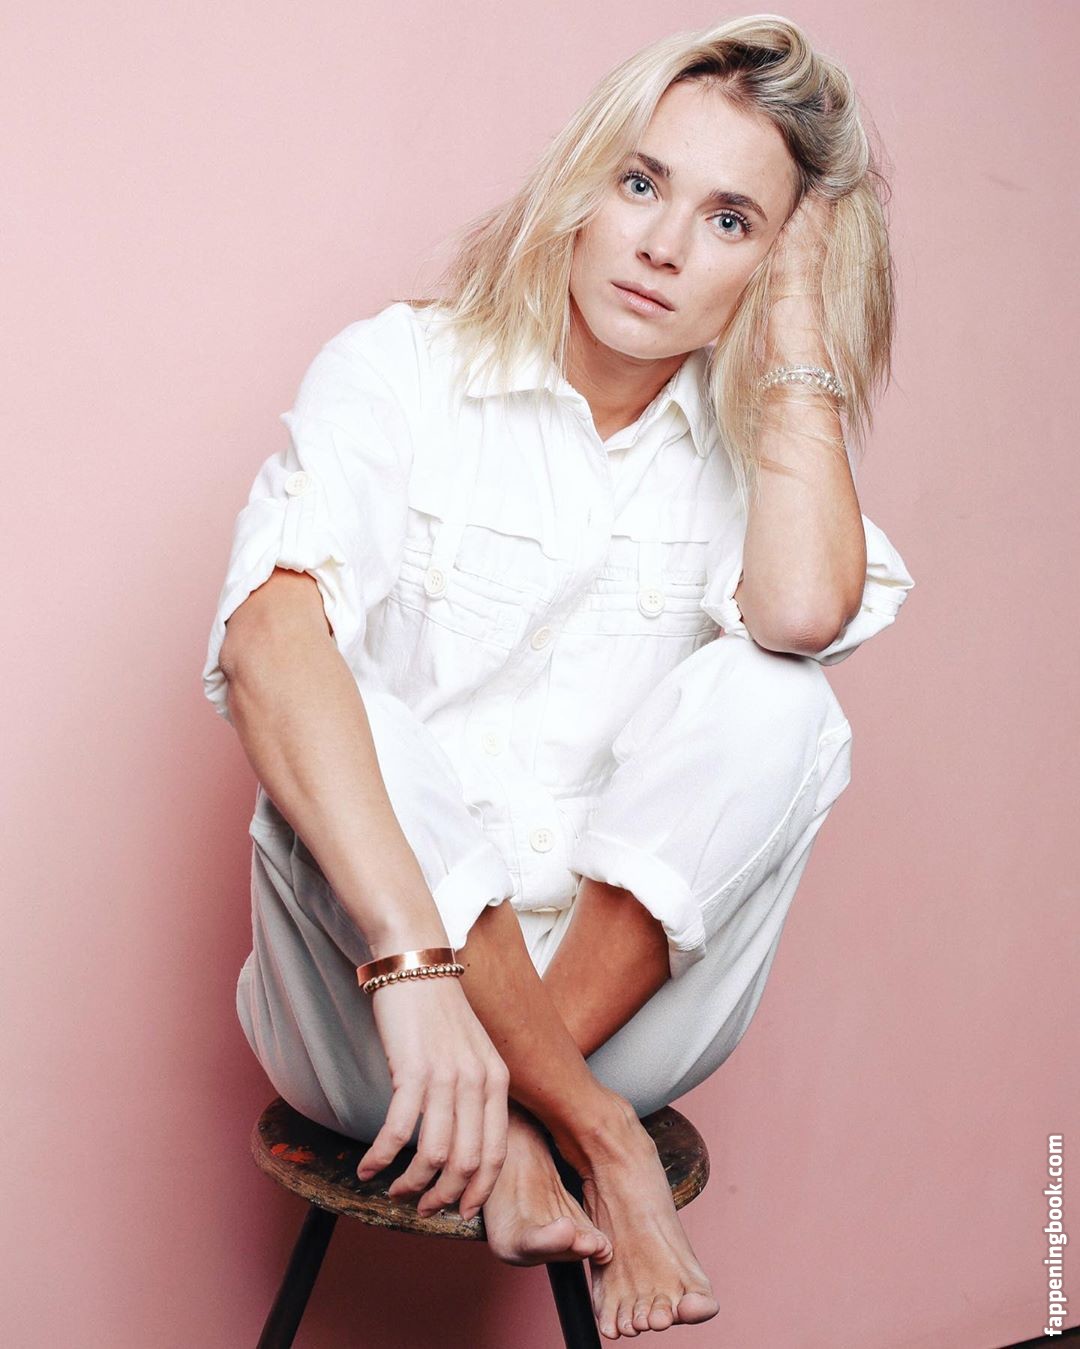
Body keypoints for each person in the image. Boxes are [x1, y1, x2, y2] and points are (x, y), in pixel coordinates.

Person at [202, 15, 915, 1341]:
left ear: (772, 261)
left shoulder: (755, 472)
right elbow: (261, 648)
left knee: (782, 695)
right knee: (328, 678)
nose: (662, 245)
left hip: (619, 1015)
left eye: (731, 222)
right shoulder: (403, 369)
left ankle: (534, 1105)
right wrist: (418, 969)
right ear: (582, 181)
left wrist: (801, 315)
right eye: (641, 182)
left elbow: (804, 614)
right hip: (376, 1023)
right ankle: (594, 1134)